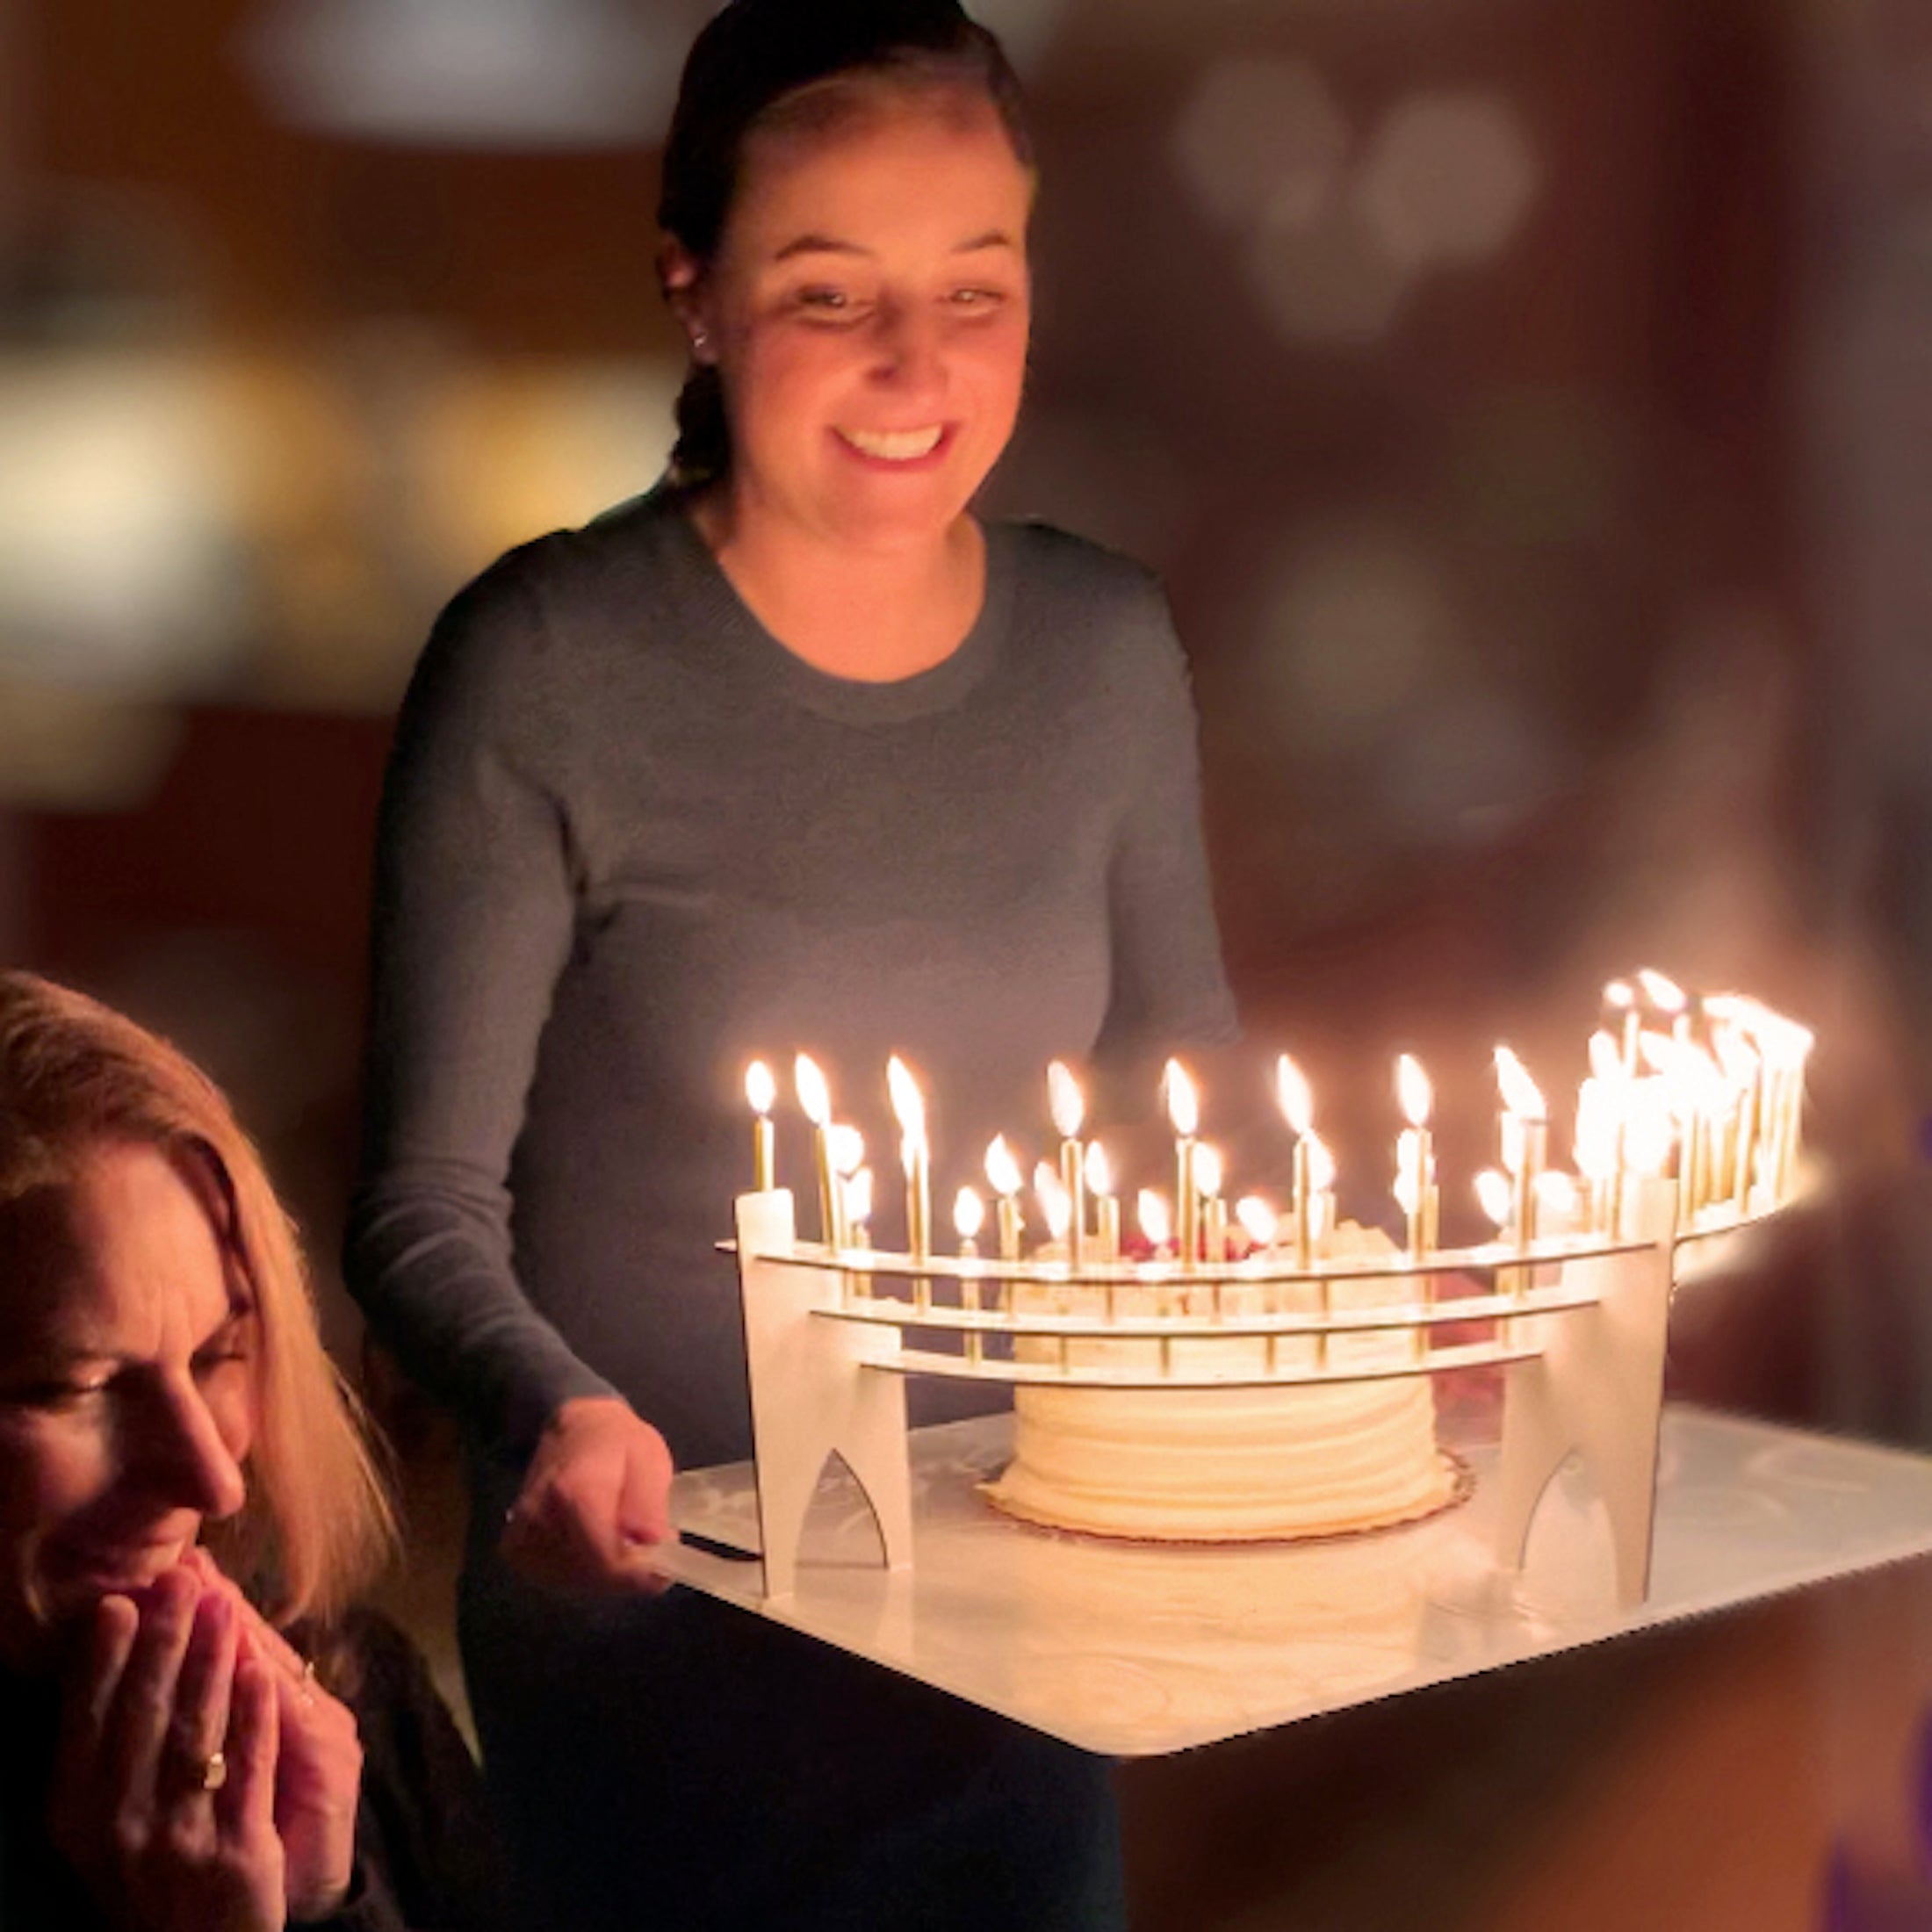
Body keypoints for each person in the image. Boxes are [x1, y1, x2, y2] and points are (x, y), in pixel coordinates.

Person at [346, 1, 1237, 1926]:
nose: (918, 361)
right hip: (659, 1661)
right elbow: (421, 1207)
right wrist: (556, 1411)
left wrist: (1294, 1319)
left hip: (1018, 1638)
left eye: (973, 286)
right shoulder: (543, 668)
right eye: (832, 292)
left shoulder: (1103, 656)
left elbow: (1187, 1095)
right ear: (698, 293)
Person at [0, 970, 508, 1932]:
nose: (212, 1476)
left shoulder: (352, 1678)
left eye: (218, 1354)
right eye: (74, 1386)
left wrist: (329, 1904)